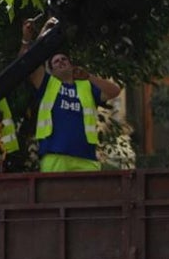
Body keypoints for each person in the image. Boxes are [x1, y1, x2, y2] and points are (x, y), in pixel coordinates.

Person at [23, 18, 122, 172]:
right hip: (55, 158)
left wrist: (88, 76)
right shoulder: (47, 83)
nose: (61, 62)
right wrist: (39, 36)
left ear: (71, 66)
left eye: (64, 59)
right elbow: (28, 62)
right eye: (56, 62)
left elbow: (114, 91)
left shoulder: (86, 86)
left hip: (86, 158)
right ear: (52, 71)